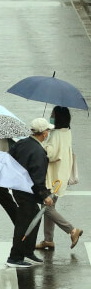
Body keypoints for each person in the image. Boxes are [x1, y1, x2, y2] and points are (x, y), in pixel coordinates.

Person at [6, 118, 54, 268]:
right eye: (48, 131)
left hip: (18, 188)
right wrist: (45, 196)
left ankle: (28, 250)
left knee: (34, 217)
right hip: (29, 192)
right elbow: (37, 178)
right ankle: (15, 257)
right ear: (44, 133)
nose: (48, 133)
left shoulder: (20, 143)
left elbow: (9, 160)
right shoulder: (39, 152)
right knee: (24, 224)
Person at [36, 106, 83, 250]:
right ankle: (48, 240)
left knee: (47, 208)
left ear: (58, 118)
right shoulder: (66, 132)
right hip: (61, 175)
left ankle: (72, 230)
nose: (51, 116)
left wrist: (42, 143)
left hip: (53, 178)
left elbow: (51, 155)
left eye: (53, 114)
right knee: (50, 207)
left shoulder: (56, 134)